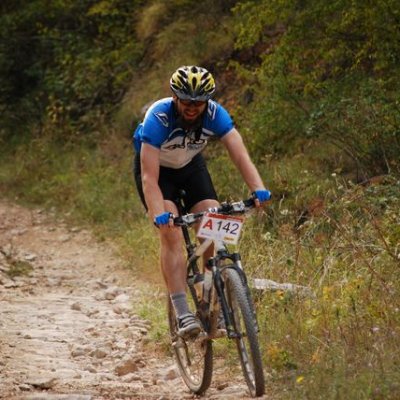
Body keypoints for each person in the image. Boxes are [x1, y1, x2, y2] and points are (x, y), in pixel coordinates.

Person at [133, 65, 271, 338]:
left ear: (207, 101)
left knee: (212, 220)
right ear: (175, 97)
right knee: (171, 234)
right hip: (158, 173)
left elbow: (240, 155)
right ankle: (182, 312)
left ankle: (211, 301)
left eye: (199, 102)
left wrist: (258, 189)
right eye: (187, 101)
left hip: (190, 167)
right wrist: (160, 214)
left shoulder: (215, 114)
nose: (192, 107)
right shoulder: (158, 117)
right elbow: (149, 177)